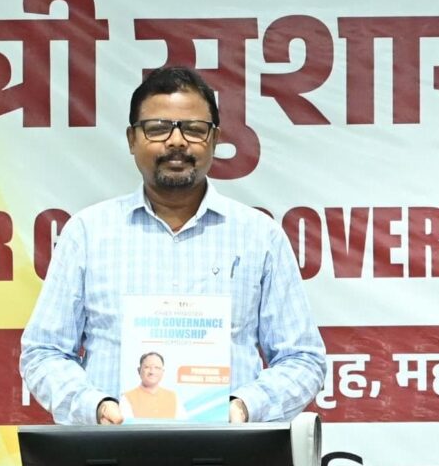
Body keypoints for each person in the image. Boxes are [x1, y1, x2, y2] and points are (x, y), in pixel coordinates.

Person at [21, 66, 326, 425]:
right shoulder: (87, 234)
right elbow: (44, 352)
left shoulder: (260, 236)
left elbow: (303, 359)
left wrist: (244, 407)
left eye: (194, 129)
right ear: (132, 139)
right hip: (113, 449)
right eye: (158, 128)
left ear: (215, 139)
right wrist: (96, 407)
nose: (177, 141)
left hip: (228, 450)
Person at [122, 352, 180, 421]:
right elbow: (126, 426)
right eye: (147, 367)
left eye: (157, 368)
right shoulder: (127, 398)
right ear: (139, 370)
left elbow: (183, 425)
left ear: (162, 372)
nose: (152, 372)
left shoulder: (173, 397)